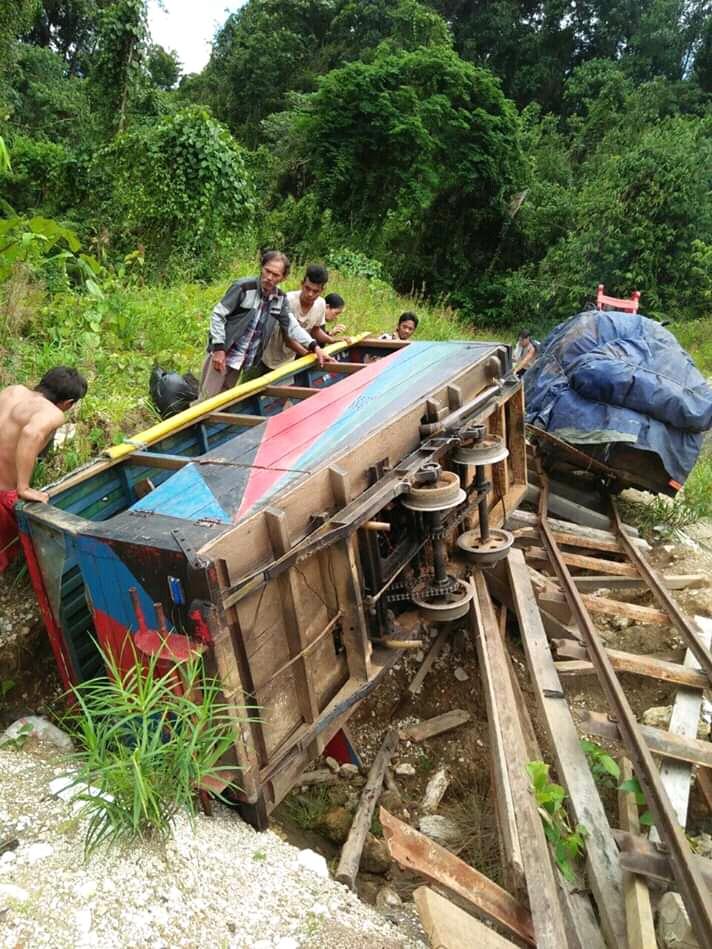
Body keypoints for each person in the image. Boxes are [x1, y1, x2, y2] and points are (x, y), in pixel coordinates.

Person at [199, 251, 327, 400]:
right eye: (267, 271)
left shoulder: (279, 299)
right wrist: (219, 349)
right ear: (262, 268)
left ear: (283, 278)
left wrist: (314, 346)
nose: (269, 278)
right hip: (224, 352)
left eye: (276, 275)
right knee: (206, 400)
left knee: (223, 401)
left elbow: (292, 326)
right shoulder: (244, 287)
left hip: (241, 358)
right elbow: (218, 315)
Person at [0, 367, 87, 571]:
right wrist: (24, 487)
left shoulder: (12, 391)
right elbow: (31, 434)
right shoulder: (52, 413)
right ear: (68, 403)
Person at [262, 264, 339, 372]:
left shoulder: (321, 304)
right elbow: (288, 338)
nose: (310, 294)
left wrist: (333, 341)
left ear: (322, 290)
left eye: (315, 291)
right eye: (307, 288)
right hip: (266, 356)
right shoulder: (287, 301)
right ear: (302, 284)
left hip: (289, 360)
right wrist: (310, 355)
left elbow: (315, 331)